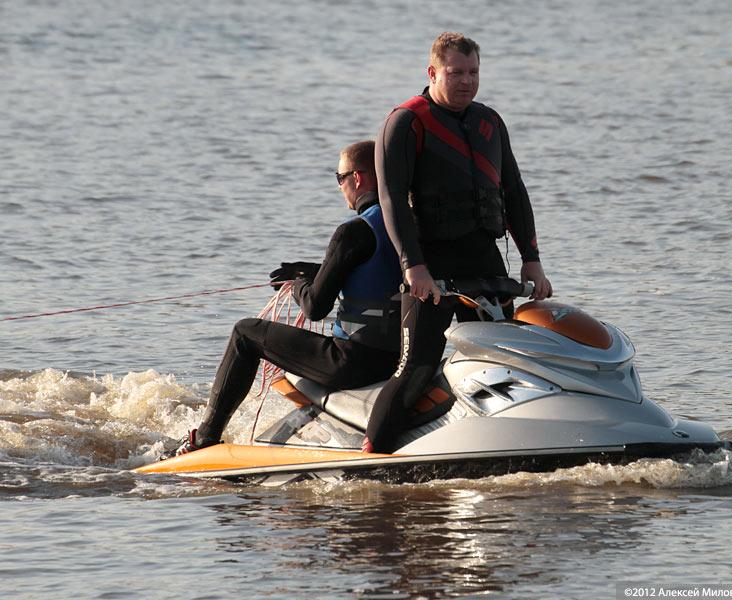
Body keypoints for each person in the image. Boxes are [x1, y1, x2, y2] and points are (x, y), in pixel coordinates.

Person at [364, 32, 552, 453]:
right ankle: (373, 452)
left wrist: (532, 260)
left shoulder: (490, 122)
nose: (466, 81)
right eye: (455, 72)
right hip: (430, 264)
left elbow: (515, 193)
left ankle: (509, 442)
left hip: (484, 260)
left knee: (507, 361)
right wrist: (413, 267)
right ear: (433, 72)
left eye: (473, 72)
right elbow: (392, 198)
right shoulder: (406, 121)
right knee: (417, 367)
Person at [174, 140, 402, 455]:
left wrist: (298, 285)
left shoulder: (353, 231)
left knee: (245, 333)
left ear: (359, 178)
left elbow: (315, 307)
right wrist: (317, 271)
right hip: (399, 358)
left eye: (339, 179)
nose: (339, 187)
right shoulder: (407, 224)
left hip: (352, 362)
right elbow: (378, 270)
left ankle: (205, 439)